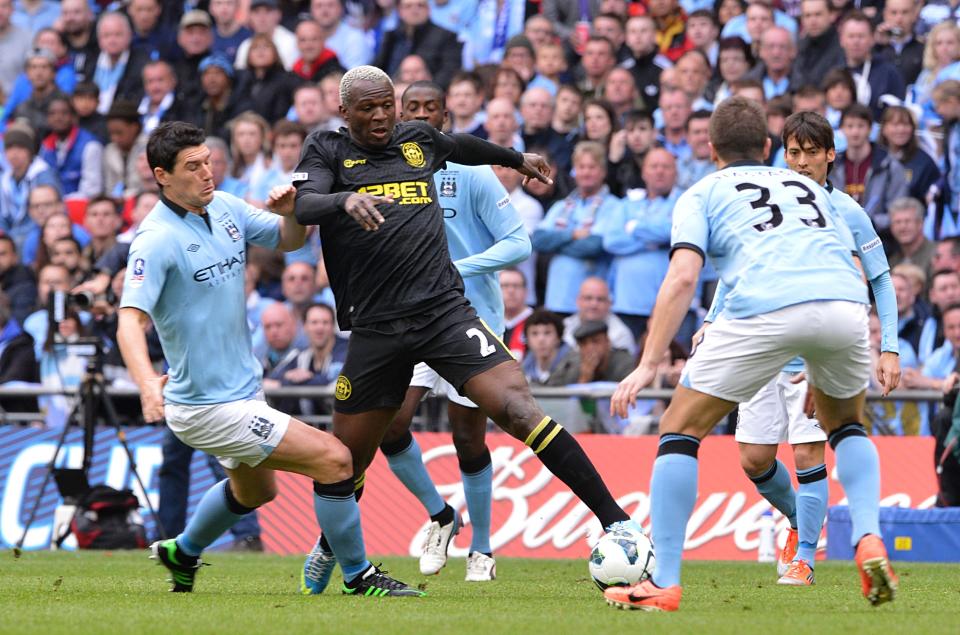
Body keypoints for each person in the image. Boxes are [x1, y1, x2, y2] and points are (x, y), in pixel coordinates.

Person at [292, 65, 637, 595]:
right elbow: (304, 202)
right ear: (345, 113)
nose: (382, 114)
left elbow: (463, 146)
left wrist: (517, 159)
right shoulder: (328, 150)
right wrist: (344, 199)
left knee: (520, 409)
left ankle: (618, 522)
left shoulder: (417, 141)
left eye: (387, 103)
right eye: (368, 107)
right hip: (377, 327)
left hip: (445, 313)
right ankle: (329, 548)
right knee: (346, 460)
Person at [605, 97, 900, 611]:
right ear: (768, 149)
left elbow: (682, 277)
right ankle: (870, 537)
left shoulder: (703, 192)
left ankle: (664, 583)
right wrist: (821, 353)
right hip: (843, 307)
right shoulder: (817, 192)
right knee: (847, 427)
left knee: (679, 429)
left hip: (762, 309)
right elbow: (841, 262)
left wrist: (650, 362)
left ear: (711, 150)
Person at [116, 122, 420, 597]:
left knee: (256, 493)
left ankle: (183, 551)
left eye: (208, 161)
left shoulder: (224, 207)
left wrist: (291, 213)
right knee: (337, 460)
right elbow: (129, 322)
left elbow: (288, 239)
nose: (206, 173)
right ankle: (359, 577)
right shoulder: (155, 240)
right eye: (192, 167)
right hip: (207, 406)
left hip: (242, 390)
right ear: (162, 175)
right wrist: (146, 384)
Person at [695, 110, 900, 587]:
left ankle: (804, 557)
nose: (802, 162)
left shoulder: (847, 210)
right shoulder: (769, 201)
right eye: (794, 152)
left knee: (809, 454)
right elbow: (741, 267)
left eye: (812, 153)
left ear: (831, 156)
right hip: (762, 345)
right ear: (780, 154)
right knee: (754, 458)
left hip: (814, 351)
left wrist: (888, 347)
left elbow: (881, 278)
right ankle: (802, 519)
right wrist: (709, 320)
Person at [355, 80, 531, 584]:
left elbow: (518, 243)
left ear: (445, 119)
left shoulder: (470, 175)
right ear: (397, 115)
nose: (423, 115)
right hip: (410, 320)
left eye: (432, 108)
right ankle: (440, 515)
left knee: (467, 439)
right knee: (391, 424)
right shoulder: (385, 174)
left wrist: (461, 267)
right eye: (413, 108)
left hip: (469, 321)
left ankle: (483, 548)